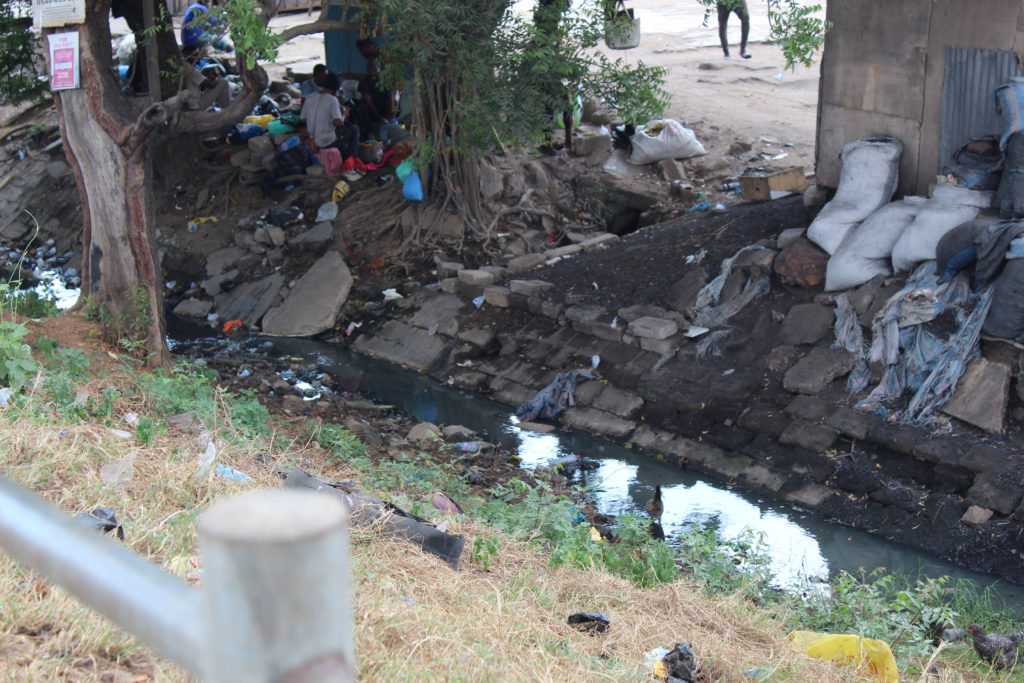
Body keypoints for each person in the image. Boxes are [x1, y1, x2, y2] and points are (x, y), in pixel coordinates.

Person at [342, 38, 394, 139]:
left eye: (363, 51)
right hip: (373, 94)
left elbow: (382, 78)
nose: (362, 54)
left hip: (382, 93)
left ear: (370, 47)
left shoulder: (383, 58)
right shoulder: (368, 79)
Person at [300, 72, 360, 159]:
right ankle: (351, 159)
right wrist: (344, 115)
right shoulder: (332, 99)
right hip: (325, 142)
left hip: (312, 140)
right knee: (354, 129)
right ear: (336, 88)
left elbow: (303, 119)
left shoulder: (310, 97)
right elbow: (338, 123)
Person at [182, 46, 230, 110]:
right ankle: (226, 111)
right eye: (196, 55)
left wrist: (210, 78)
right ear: (189, 56)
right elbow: (211, 85)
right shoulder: (191, 70)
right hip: (195, 107)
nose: (199, 57)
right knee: (223, 82)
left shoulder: (183, 66)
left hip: (187, 105)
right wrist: (215, 77)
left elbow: (201, 86)